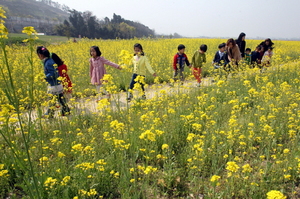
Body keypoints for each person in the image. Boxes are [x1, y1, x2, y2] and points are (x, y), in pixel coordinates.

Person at [36, 46, 70, 118]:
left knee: (52, 100)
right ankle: (66, 110)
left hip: (54, 85)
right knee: (60, 99)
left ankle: (50, 114)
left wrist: (44, 77)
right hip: (57, 84)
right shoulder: (50, 60)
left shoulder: (48, 62)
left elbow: (54, 73)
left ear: (40, 55)